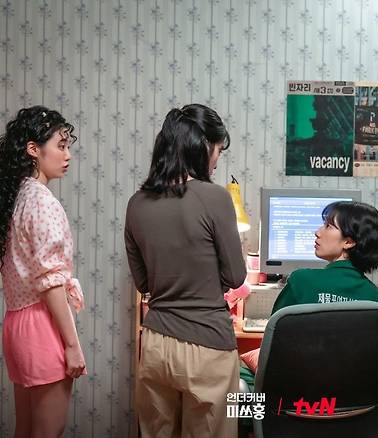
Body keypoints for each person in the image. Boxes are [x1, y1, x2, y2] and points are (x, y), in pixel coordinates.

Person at [124, 104, 246, 438]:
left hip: (156, 346)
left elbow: (144, 282)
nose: (217, 161)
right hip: (208, 347)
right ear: (203, 146)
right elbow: (236, 277)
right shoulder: (214, 197)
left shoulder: (137, 203)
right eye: (218, 150)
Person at [0, 106, 86, 438]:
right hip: (41, 324)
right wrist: (72, 345)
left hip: (18, 324)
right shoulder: (41, 201)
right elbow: (50, 282)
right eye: (60, 145)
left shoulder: (19, 195)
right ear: (33, 149)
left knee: (25, 429)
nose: (67, 155)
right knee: (47, 431)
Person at [239, 201, 378, 392]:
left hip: (301, 398)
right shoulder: (377, 298)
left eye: (328, 226)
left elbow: (273, 344)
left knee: (237, 376)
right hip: (356, 402)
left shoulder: (301, 281)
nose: (317, 232)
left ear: (349, 242)